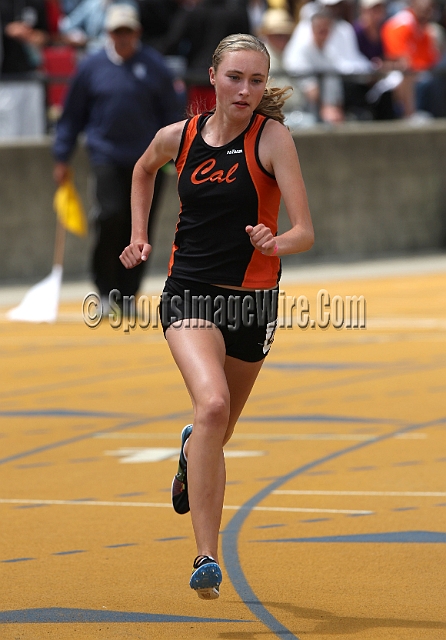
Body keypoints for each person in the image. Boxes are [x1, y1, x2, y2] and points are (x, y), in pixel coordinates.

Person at [119, 33, 314, 599]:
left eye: (257, 80)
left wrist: (275, 244)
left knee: (215, 434)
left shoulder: (272, 139)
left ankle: (188, 452)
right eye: (235, 77)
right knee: (212, 406)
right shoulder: (179, 137)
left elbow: (304, 231)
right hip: (189, 294)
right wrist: (137, 236)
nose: (246, 90)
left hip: (253, 302)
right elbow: (141, 170)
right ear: (213, 76)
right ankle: (207, 556)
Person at [53, 3, 184, 309]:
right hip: (106, 155)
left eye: (127, 31)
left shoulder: (155, 66)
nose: (122, 37)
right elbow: (72, 115)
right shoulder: (91, 67)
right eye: (116, 31)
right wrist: (62, 156)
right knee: (110, 216)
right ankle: (104, 288)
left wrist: (180, 156)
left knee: (140, 226)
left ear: (137, 32)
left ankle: (128, 293)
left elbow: (172, 114)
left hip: (149, 161)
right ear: (108, 33)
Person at [381, 0, 441, 116]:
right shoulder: (401, 23)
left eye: (430, 8)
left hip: (419, 74)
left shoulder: (425, 30)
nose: (428, 12)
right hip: (392, 76)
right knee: (408, 76)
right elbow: (400, 61)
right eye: (425, 8)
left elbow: (431, 61)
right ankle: (409, 117)